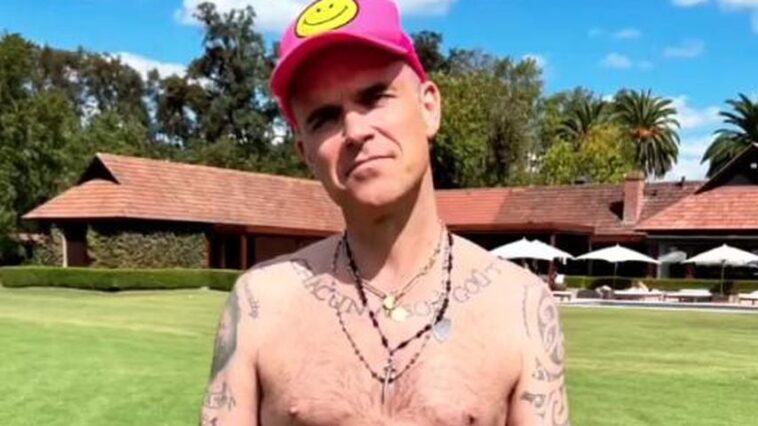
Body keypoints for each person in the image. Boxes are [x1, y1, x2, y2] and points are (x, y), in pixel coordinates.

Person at [199, 0, 569, 424]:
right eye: (324, 118)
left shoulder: (519, 304)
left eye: (375, 97)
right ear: (305, 152)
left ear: (429, 108)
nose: (355, 131)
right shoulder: (260, 303)